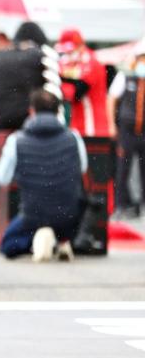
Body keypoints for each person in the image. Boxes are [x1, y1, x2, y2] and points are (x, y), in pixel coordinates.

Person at [0, 89, 86, 261]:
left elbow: (3, 178)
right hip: (69, 214)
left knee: (8, 245)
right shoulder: (74, 137)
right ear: (58, 111)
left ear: (31, 111)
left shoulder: (16, 140)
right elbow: (81, 169)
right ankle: (61, 239)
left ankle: (36, 239)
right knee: (63, 220)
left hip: (33, 213)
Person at [107, 44, 145, 219]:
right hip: (127, 130)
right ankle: (121, 205)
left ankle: (142, 206)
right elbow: (111, 99)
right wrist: (112, 125)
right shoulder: (125, 76)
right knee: (123, 169)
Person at [57, 28, 109, 138]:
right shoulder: (68, 62)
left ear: (80, 46)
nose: (67, 53)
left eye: (70, 50)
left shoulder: (92, 62)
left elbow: (77, 93)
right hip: (76, 126)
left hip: (94, 128)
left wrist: (62, 82)